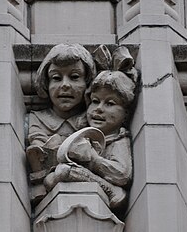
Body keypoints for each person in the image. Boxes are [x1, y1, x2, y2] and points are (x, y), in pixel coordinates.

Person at [45, 68, 137, 209]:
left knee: (64, 171)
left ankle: (111, 190)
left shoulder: (118, 139)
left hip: (95, 185)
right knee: (50, 179)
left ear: (125, 114)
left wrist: (93, 159)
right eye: (95, 101)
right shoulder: (87, 135)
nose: (99, 109)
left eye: (110, 103)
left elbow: (122, 174)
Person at [26, 43, 96, 202]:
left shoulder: (93, 120)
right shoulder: (37, 119)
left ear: (88, 83)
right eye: (56, 78)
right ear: (46, 83)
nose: (65, 85)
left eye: (75, 77)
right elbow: (38, 152)